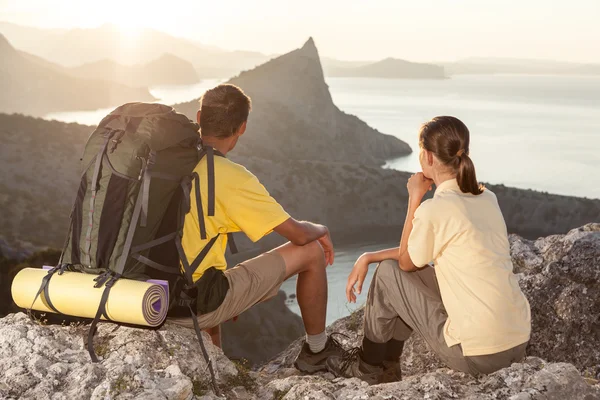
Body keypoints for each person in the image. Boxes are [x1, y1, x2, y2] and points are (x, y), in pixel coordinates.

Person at [327, 116, 531, 384]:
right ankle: (388, 366)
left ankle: (368, 366)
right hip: (517, 341)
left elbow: (406, 262)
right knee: (402, 268)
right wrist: (369, 255)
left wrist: (414, 198)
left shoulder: (435, 208)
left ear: (427, 156)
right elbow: (414, 255)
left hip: (478, 355)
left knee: (389, 273)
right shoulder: (486, 197)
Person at [169, 83, 344, 372]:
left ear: (199, 118)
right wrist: (321, 228)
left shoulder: (162, 165)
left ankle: (216, 370)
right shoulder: (230, 177)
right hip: (189, 304)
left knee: (213, 278)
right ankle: (317, 350)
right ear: (242, 128)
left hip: (143, 294)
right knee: (311, 252)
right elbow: (299, 235)